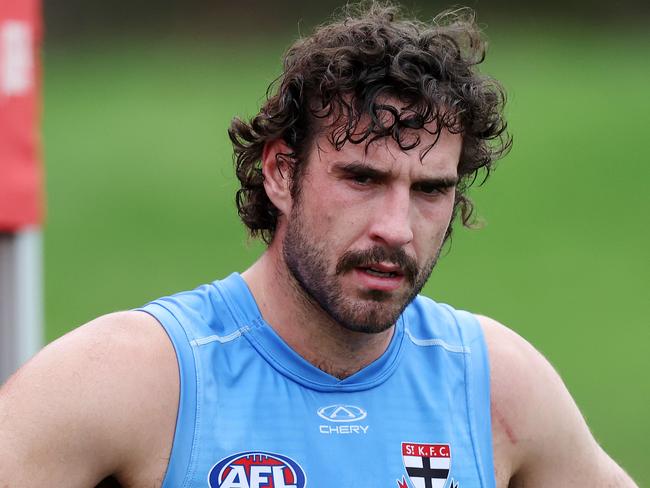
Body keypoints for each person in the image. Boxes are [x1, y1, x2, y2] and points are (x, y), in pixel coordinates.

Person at [0, 3, 637, 488]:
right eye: (363, 178)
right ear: (282, 173)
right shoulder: (135, 377)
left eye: (430, 189)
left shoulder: (495, 386)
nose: (397, 226)